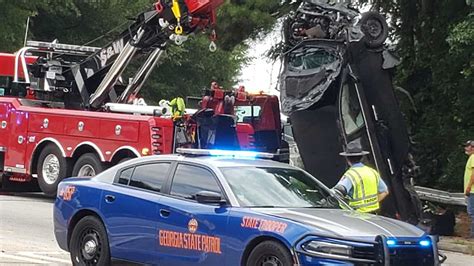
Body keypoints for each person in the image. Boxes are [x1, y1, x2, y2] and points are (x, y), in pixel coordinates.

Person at [333, 142, 389, 213]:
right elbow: (385, 191)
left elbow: (338, 192)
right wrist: (370, 203)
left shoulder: (350, 175)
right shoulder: (372, 172)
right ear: (362, 157)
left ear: (347, 159)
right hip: (375, 215)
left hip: (357, 216)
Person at [463, 140, 474, 238]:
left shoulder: (473, 157)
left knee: (472, 212)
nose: (465, 148)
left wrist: (469, 187)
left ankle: (473, 235)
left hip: (473, 191)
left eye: (468, 146)